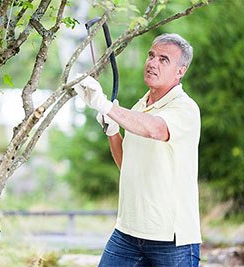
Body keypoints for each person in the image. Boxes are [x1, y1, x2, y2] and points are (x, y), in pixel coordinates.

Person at [74, 33, 202, 266]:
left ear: (180, 71)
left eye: (164, 60)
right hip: (128, 233)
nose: (153, 63)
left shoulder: (185, 109)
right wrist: (113, 131)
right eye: (151, 55)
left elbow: (155, 129)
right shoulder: (139, 107)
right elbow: (128, 165)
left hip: (171, 240)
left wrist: (106, 106)